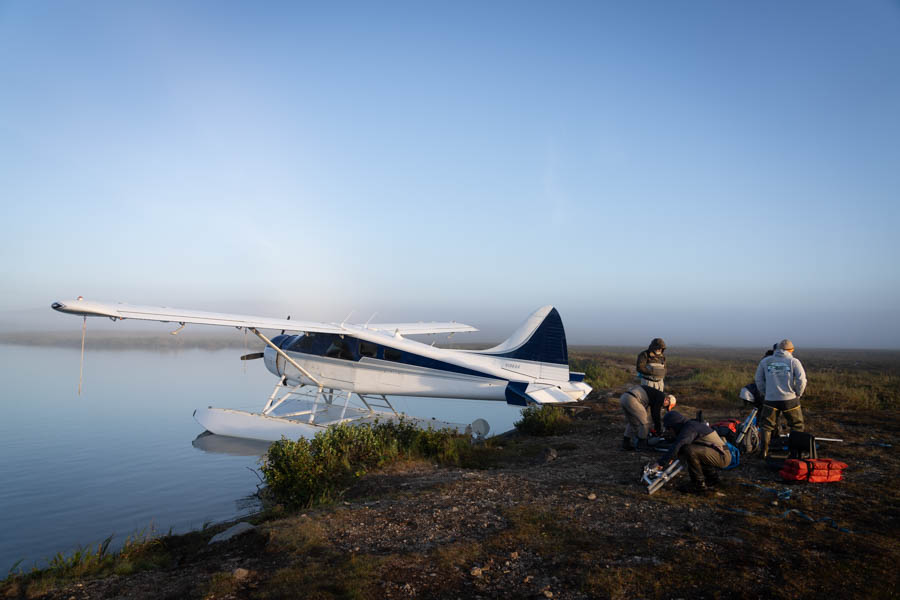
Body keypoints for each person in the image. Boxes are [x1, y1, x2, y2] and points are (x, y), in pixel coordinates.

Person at [754, 339, 807, 458]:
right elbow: (801, 380)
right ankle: (794, 453)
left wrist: (765, 393)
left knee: (766, 426)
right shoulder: (794, 361)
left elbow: (758, 379)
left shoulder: (765, 361)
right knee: (797, 425)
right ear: (791, 350)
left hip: (770, 400)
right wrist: (798, 393)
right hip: (790, 400)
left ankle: (764, 452)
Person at [655, 410, 731, 493]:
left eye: (669, 428)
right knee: (692, 451)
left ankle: (698, 485)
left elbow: (678, 444)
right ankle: (712, 478)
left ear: (674, 425)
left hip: (723, 456)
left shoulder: (690, 428)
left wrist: (661, 463)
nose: (669, 430)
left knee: (688, 450)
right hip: (719, 454)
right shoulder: (689, 425)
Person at [619, 384, 675, 450]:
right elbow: (655, 414)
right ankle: (641, 444)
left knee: (633, 423)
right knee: (645, 422)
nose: (664, 407)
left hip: (624, 397)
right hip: (633, 399)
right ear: (667, 400)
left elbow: (651, 412)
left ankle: (625, 443)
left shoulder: (654, 394)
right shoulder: (661, 396)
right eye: (666, 406)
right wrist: (658, 429)